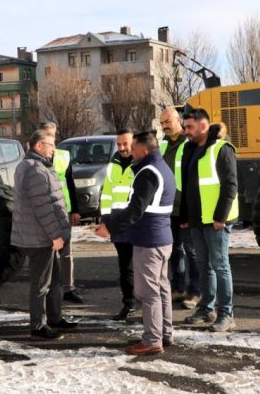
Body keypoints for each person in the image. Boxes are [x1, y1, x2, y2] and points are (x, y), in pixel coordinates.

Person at [97, 131, 175, 355]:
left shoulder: (148, 172)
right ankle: (164, 333)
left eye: (133, 148)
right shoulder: (162, 168)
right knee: (161, 288)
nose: (130, 151)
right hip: (161, 237)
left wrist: (110, 227)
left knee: (148, 293)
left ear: (144, 150)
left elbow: (135, 210)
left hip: (148, 240)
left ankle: (152, 340)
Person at [11, 129, 78, 341]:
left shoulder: (38, 166)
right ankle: (38, 327)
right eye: (51, 144)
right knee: (41, 284)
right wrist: (55, 235)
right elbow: (43, 207)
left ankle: (55, 318)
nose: (54, 149)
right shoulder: (34, 169)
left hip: (42, 236)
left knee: (55, 279)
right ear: (39, 146)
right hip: (39, 238)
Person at [180, 109, 239, 332]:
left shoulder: (222, 149)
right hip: (197, 219)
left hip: (216, 221)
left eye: (190, 127)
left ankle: (226, 314)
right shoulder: (190, 149)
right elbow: (187, 186)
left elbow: (230, 185)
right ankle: (207, 309)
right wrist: (185, 216)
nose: (186, 131)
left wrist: (220, 217)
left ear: (203, 126)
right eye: (185, 127)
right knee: (204, 266)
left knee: (220, 266)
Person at [38, 121, 84, 304]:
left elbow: (70, 183)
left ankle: (68, 288)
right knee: (47, 253)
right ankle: (49, 288)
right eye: (47, 134)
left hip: (64, 210)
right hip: (46, 212)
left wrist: (76, 210)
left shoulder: (63, 156)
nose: (51, 138)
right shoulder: (35, 157)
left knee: (66, 253)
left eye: (53, 134)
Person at [159, 107, 199, 309]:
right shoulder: (162, 145)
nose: (164, 126)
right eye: (162, 123)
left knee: (192, 251)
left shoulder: (189, 144)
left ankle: (195, 291)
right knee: (175, 250)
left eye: (167, 121)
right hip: (168, 208)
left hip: (186, 208)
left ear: (178, 120)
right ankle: (178, 287)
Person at [99, 128, 136, 321]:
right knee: (125, 267)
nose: (122, 148)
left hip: (137, 224)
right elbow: (107, 193)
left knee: (144, 268)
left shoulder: (141, 163)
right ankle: (129, 304)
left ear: (134, 143)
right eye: (119, 144)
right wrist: (106, 220)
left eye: (125, 144)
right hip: (117, 225)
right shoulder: (113, 163)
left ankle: (150, 306)